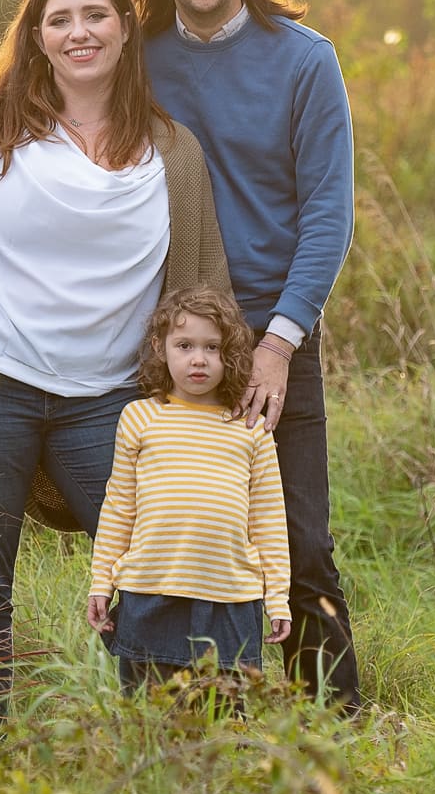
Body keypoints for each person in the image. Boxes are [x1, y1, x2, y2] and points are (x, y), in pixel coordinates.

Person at [0, 0, 231, 725]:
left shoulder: (173, 152)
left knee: (156, 570)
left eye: (95, 16)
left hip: (110, 404)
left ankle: (167, 747)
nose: (78, 32)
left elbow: (202, 285)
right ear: (38, 38)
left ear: (125, 30)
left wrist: (210, 400)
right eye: (59, 20)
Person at [121, 0, 362, 712]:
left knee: (296, 537)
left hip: (270, 329)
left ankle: (339, 729)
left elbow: (329, 217)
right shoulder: (137, 57)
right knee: (176, 536)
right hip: (174, 334)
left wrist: (280, 341)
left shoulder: (305, 58)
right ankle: (186, 723)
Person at [87, 286, 290, 696]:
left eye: (212, 347)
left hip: (230, 596)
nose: (198, 358)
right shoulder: (140, 417)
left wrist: (279, 598)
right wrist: (101, 582)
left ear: (230, 355)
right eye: (184, 345)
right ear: (161, 349)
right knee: (147, 710)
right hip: (150, 589)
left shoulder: (249, 428)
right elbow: (119, 508)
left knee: (222, 712)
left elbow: (268, 519)